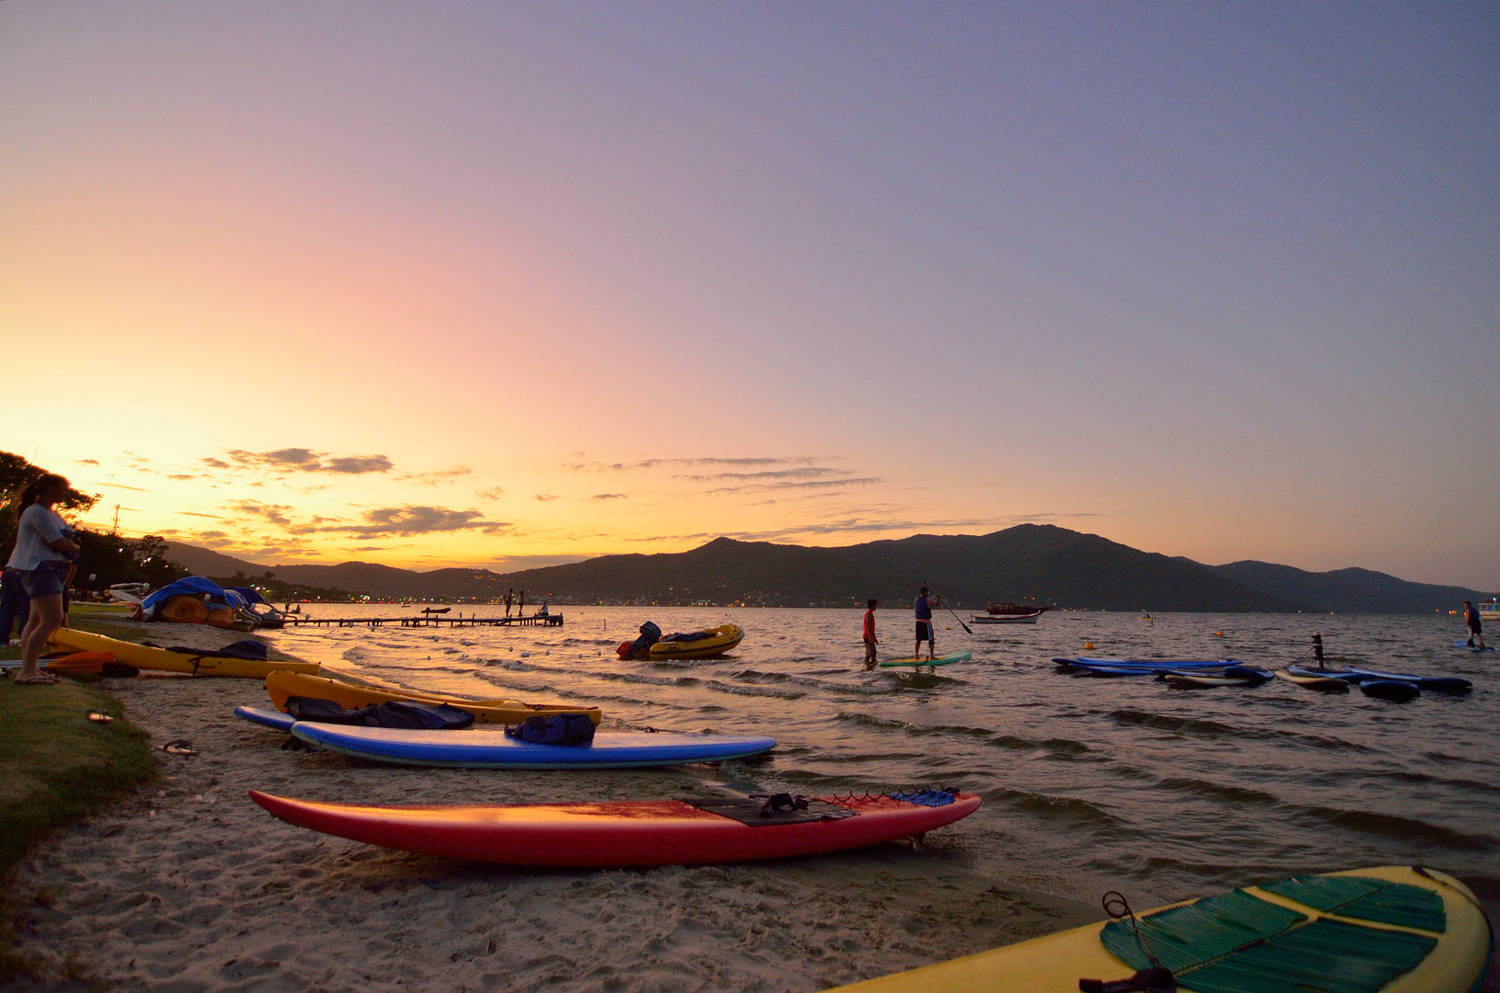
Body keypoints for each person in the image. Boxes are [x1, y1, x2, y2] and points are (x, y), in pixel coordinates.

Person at [6, 474, 81, 685]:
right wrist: (73, 546)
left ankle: (30, 667)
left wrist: (71, 543)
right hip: (39, 568)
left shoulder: (52, 514)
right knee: (51, 619)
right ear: (49, 489)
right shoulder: (36, 512)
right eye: (62, 489)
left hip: (50, 567)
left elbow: (68, 538)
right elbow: (59, 542)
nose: (65, 493)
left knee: (36, 620)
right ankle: (27, 671)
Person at [0, 566, 30, 646]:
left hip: (8, 570)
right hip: (23, 570)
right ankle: (25, 637)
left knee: (7, 608)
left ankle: (2, 638)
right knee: (25, 608)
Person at [913, 586, 938, 660]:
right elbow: (937, 604)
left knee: (918, 639)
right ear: (925, 592)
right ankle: (932, 655)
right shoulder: (928, 600)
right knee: (931, 639)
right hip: (926, 623)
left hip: (918, 623)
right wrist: (938, 598)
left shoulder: (916, 600)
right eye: (927, 592)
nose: (928, 594)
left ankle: (916, 655)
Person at [862, 599, 878, 664]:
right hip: (867, 636)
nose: (876, 607)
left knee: (872, 652)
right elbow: (868, 626)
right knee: (872, 652)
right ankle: (870, 666)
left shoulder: (870, 614)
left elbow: (871, 629)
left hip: (869, 636)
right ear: (872, 606)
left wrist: (875, 639)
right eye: (875, 605)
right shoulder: (868, 614)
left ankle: (870, 666)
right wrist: (870, 637)